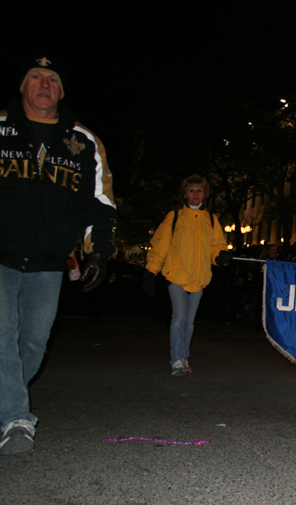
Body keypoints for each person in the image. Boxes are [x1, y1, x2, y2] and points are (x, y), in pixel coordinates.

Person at [0, 56, 116, 455]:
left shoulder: (84, 141)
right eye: (35, 77)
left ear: (62, 91)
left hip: (50, 260)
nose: (44, 84)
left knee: (32, 343)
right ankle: (17, 418)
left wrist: (99, 251)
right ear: (22, 86)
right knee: (1, 336)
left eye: (52, 79)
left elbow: (99, 203)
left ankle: (5, 405)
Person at [143, 175, 232, 376]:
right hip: (177, 275)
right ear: (185, 193)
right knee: (179, 317)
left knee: (190, 322)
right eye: (191, 190)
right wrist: (151, 270)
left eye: (199, 190)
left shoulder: (211, 219)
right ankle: (176, 360)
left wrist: (220, 257)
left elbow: (216, 246)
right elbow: (161, 245)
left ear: (205, 195)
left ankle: (184, 358)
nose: (195, 194)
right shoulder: (174, 217)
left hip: (199, 278)